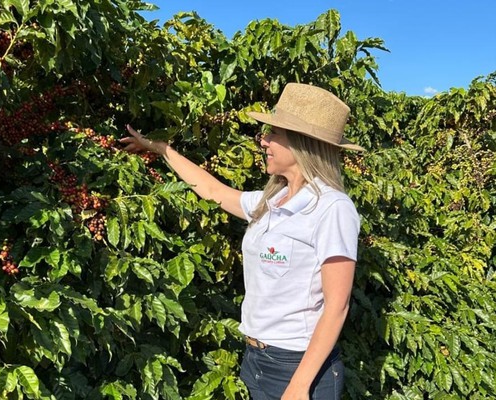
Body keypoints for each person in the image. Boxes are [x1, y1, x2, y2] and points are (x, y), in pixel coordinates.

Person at [120, 83, 364, 400]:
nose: (263, 141)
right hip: (256, 360)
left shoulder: (332, 208)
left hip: (299, 365)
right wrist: (162, 149)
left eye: (274, 134)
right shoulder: (272, 200)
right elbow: (213, 192)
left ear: (303, 145)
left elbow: (337, 305)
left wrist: (300, 386)